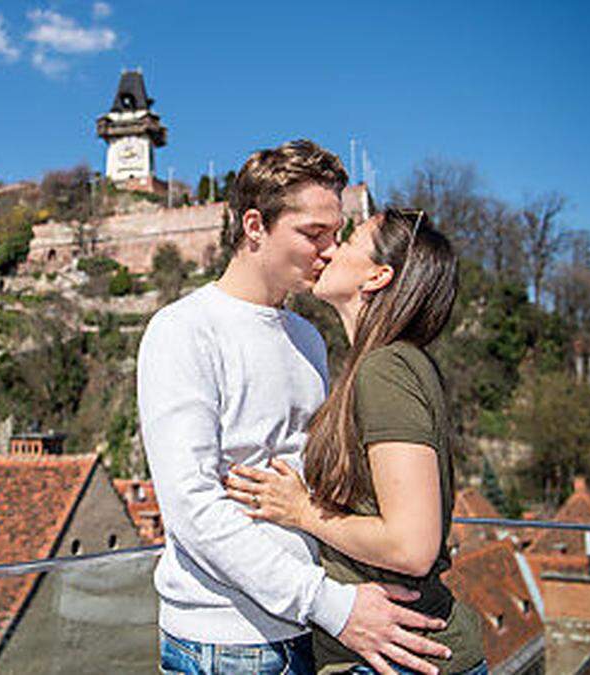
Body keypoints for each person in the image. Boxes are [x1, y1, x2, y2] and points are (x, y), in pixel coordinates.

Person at [138, 141, 452, 675]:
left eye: (336, 235)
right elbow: (191, 509)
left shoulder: (308, 338)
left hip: (313, 628)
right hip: (226, 641)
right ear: (255, 226)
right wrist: (331, 603)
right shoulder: (182, 330)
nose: (330, 251)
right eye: (314, 234)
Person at [224, 208, 487, 674]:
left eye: (347, 243)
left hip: (398, 658)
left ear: (377, 276)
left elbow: (411, 545)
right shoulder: (390, 364)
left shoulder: (385, 370)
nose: (329, 249)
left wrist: (303, 511)